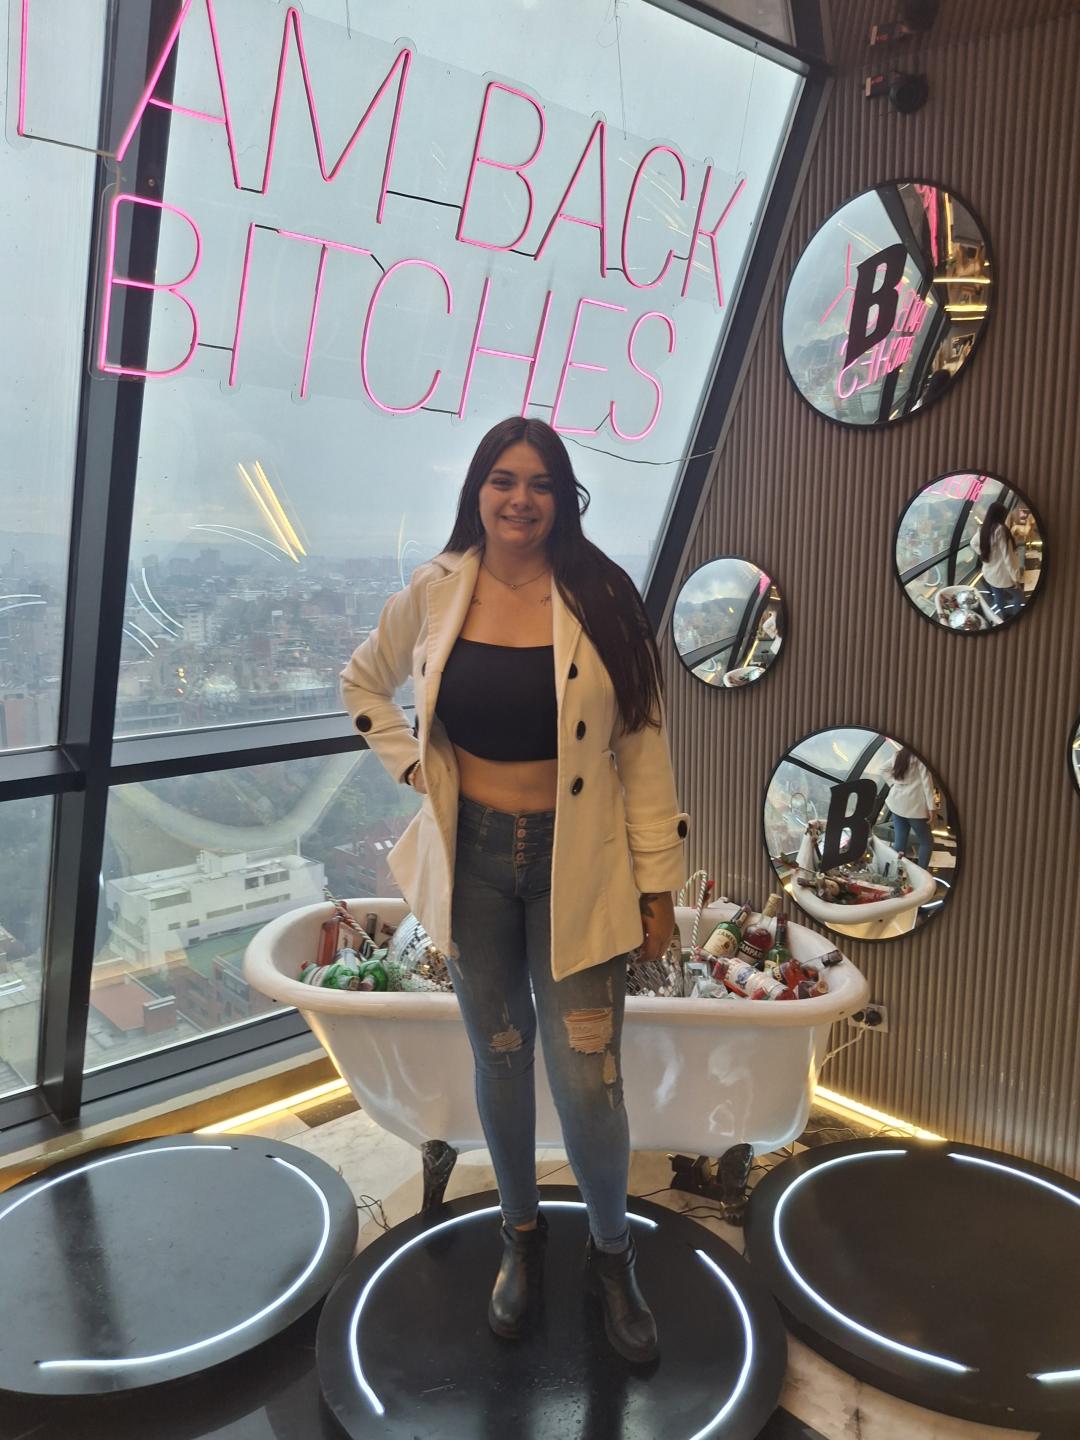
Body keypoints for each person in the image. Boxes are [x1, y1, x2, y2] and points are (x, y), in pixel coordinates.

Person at [340, 416, 689, 1364]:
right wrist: (416, 768)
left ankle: (612, 1256)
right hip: (478, 865)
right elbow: (364, 685)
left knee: (588, 1079)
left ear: (562, 496)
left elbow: (642, 747)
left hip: (581, 866)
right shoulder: (436, 589)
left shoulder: (603, 597)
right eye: (503, 480)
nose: (520, 499)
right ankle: (520, 1236)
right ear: (478, 491)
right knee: (498, 1059)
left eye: (539, 482)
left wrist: (658, 887)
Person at [883, 746, 939, 871]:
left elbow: (883, 769)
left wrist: (892, 783)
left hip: (896, 803)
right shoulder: (920, 758)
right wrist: (932, 808)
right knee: (926, 842)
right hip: (914, 807)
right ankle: (921, 874)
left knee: (900, 840)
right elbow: (927, 784)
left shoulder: (898, 755)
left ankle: (893, 873)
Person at [978, 501, 1023, 621]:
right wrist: (1016, 578)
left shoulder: (983, 528)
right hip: (1002, 575)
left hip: (989, 573)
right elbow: (1008, 557)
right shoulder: (1001, 530)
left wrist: (987, 552)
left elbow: (973, 543)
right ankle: (1015, 617)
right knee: (1019, 596)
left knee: (998, 596)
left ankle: (1004, 615)